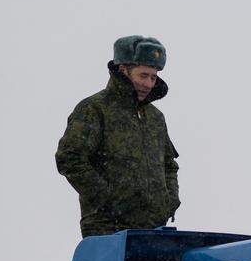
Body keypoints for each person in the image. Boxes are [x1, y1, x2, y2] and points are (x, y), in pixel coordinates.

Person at [55, 35, 179, 237]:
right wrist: (109, 199)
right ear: (123, 70)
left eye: (153, 77)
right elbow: (69, 158)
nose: (149, 84)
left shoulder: (156, 117)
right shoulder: (94, 109)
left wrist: (169, 201)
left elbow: (169, 165)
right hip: (107, 229)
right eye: (143, 75)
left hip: (154, 232)